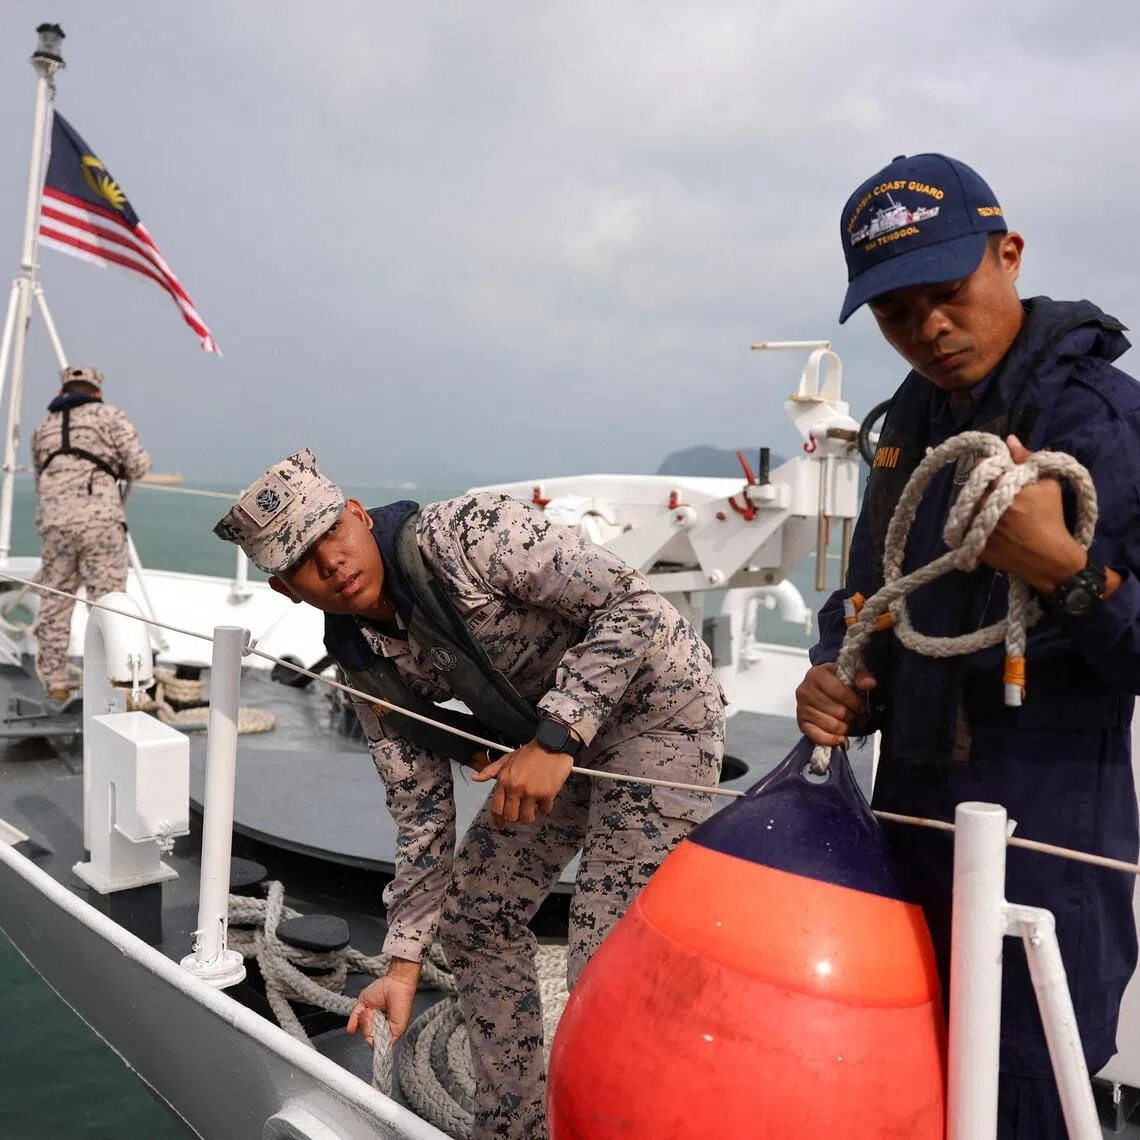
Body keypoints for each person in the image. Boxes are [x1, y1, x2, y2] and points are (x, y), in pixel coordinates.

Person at [214, 449, 724, 1140]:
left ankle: (632, 1122)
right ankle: (511, 1124)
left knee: (607, 954)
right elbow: (420, 810)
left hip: (657, 709)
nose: (330, 560)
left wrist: (556, 737)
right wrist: (402, 962)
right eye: (303, 559)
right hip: (556, 745)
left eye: (332, 532)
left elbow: (633, 605)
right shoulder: (364, 662)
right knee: (475, 918)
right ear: (285, 589)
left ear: (359, 516)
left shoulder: (469, 534)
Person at [796, 152, 1140, 1137]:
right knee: (897, 1090)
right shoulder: (910, 426)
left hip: (1045, 856)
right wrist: (837, 676)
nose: (930, 331)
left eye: (949, 294)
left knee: (1020, 1099)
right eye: (899, 316)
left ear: (1010, 256)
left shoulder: (1109, 427)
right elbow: (871, 595)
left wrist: (1061, 569)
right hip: (909, 847)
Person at [30, 365, 151, 709]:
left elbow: (42, 477)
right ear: (95, 391)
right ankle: (116, 690)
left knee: (55, 603)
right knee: (109, 604)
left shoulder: (42, 429)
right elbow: (139, 465)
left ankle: (54, 685)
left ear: (63, 390)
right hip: (100, 523)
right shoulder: (110, 415)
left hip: (55, 525)